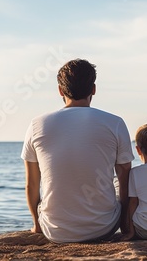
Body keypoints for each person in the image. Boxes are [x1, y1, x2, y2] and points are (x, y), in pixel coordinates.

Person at [21, 58, 134, 243]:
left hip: (54, 232)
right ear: (93, 89)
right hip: (103, 228)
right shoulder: (115, 123)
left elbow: (31, 185)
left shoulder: (36, 125)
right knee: (117, 181)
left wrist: (37, 225)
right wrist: (125, 225)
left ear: (60, 90)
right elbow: (125, 179)